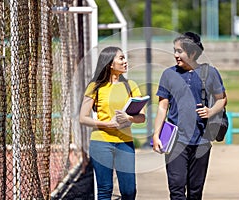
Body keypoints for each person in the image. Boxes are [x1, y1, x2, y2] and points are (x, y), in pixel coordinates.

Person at [152, 32, 227, 200]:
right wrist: (156, 135)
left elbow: (222, 100)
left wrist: (210, 111)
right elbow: (163, 107)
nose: (175, 55)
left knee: (195, 192)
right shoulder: (168, 74)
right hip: (175, 141)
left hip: (202, 141)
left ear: (192, 53)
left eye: (179, 51)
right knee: (176, 189)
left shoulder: (210, 73)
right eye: (175, 50)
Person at [79, 46, 146, 200]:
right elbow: (83, 117)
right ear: (110, 63)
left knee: (129, 191)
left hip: (125, 143)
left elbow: (142, 117)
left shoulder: (131, 85)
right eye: (121, 58)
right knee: (104, 189)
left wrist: (128, 119)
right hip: (101, 143)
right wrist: (109, 124)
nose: (125, 61)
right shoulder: (95, 87)